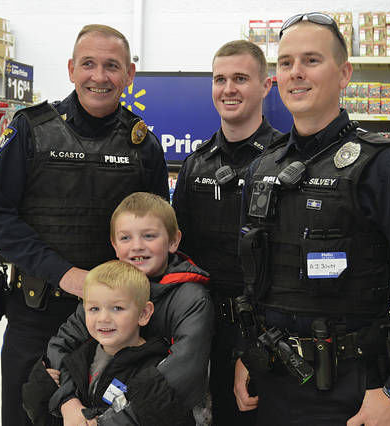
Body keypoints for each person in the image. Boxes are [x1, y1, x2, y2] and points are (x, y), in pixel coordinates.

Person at [233, 12, 390, 426]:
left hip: (353, 393)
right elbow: (253, 282)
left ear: (344, 74)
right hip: (270, 385)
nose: (295, 73)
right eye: (285, 63)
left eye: (311, 60)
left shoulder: (384, 167)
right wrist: (245, 355)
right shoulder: (262, 168)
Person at [0, 24, 169, 426]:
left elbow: (158, 234)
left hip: (114, 327)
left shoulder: (143, 146)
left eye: (112, 66)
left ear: (129, 75)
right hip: (35, 315)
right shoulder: (30, 130)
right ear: (70, 69)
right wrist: (64, 274)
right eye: (89, 64)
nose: (100, 77)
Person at [172, 39, 282, 425]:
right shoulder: (195, 166)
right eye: (220, 79)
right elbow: (178, 252)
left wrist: (252, 347)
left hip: (264, 334)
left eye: (240, 78)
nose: (228, 88)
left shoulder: (286, 162)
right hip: (200, 330)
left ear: (266, 86)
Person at [46, 192, 214, 425]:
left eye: (149, 236)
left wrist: (110, 422)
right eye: (125, 238)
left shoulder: (191, 298)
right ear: (114, 245)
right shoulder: (103, 285)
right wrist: (68, 402)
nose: (136, 246)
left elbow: (183, 374)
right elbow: (61, 345)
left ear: (174, 241)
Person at [22, 260, 194, 426]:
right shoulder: (77, 358)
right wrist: (41, 389)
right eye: (94, 309)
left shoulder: (155, 368)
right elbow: (43, 417)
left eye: (117, 308)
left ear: (143, 313)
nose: (103, 318)